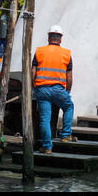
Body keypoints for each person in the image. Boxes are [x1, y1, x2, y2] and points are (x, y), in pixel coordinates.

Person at [32, 25, 74, 154]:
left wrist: (33, 87)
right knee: (68, 106)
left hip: (41, 89)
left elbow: (33, 72)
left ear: (49, 37)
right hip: (58, 89)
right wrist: (67, 91)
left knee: (45, 119)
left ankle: (47, 147)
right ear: (60, 39)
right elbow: (69, 76)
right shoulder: (67, 54)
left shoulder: (39, 51)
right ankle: (66, 135)